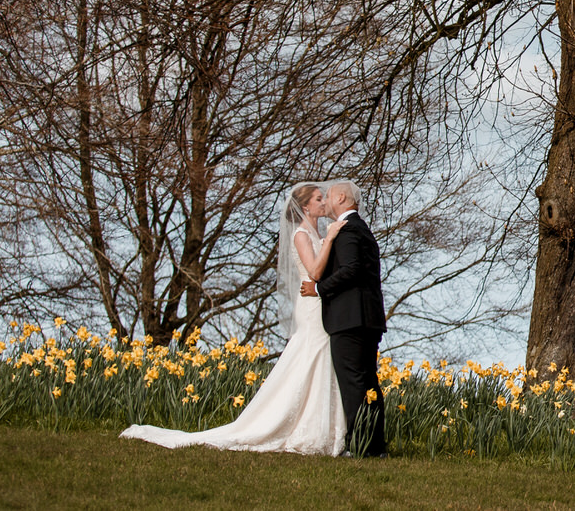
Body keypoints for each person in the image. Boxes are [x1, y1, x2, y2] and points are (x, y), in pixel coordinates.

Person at [121, 182, 348, 455]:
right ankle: (305, 429)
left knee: (318, 359)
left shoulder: (316, 230)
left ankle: (320, 428)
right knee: (314, 355)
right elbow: (314, 272)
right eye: (318, 198)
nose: (324, 202)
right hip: (311, 304)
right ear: (305, 207)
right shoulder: (301, 234)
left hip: (318, 302)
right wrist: (332, 239)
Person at [300, 178, 387, 457]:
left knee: (354, 385)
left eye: (328, 196)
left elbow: (351, 270)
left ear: (340, 199)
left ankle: (361, 447)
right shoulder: (361, 230)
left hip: (351, 320)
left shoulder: (349, 230)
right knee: (367, 383)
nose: (325, 201)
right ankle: (373, 447)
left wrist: (318, 288)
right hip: (366, 319)